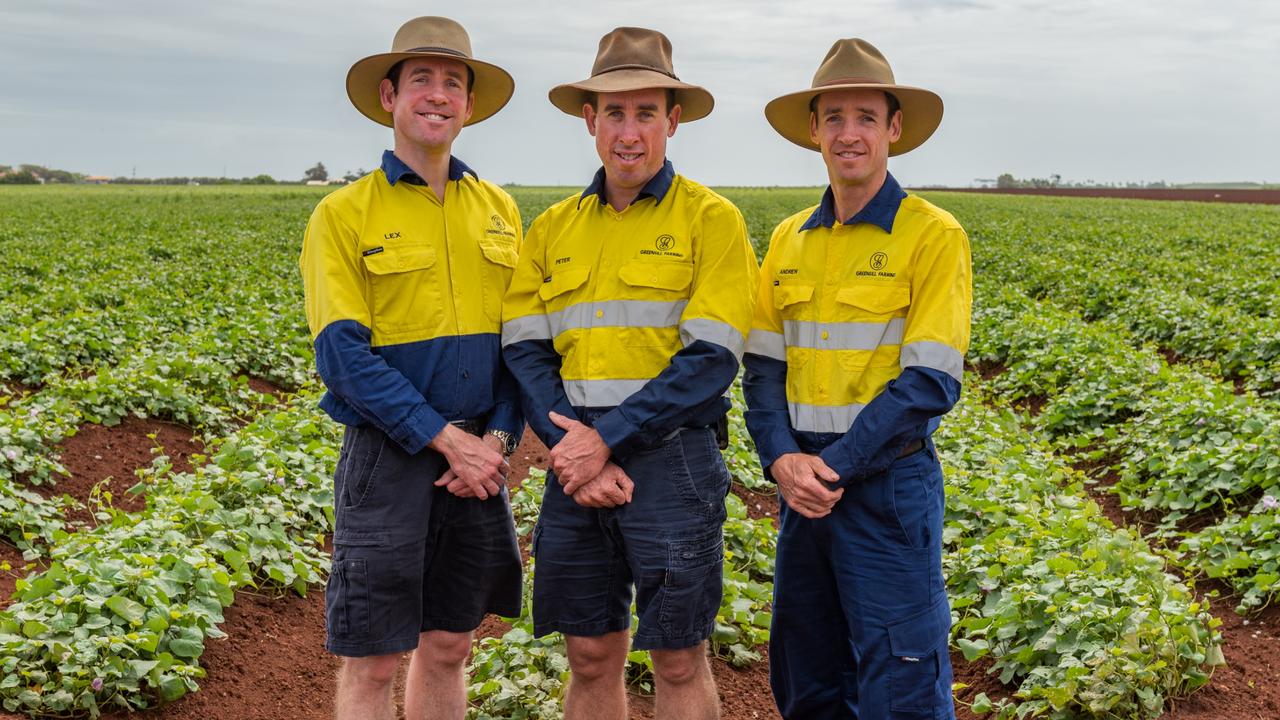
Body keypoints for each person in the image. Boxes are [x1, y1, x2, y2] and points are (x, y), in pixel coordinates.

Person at [501, 26, 759, 720]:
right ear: (590, 120)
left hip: (673, 462)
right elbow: (525, 349)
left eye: (646, 112)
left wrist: (604, 440)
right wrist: (570, 448)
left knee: (678, 656)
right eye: (614, 112)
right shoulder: (553, 227)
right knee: (589, 654)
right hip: (574, 459)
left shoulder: (713, 221)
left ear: (673, 120)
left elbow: (712, 358)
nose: (630, 131)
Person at [298, 16, 524, 720]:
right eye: (420, 79)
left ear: (470, 105)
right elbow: (342, 356)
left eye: (453, 81)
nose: (438, 93)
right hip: (390, 457)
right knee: (371, 658)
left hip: (479, 458)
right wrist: (442, 438)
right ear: (390, 96)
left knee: (451, 644)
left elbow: (522, 344)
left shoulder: (500, 210)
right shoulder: (343, 213)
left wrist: (496, 441)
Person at [743, 38, 972, 719]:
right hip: (801, 496)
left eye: (866, 117)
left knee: (901, 680)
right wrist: (782, 459)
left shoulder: (931, 234)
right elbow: (761, 368)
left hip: (886, 492)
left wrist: (831, 468)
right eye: (834, 117)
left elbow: (929, 381)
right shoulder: (788, 239)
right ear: (813, 129)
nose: (849, 134)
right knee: (809, 676)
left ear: (893, 129)